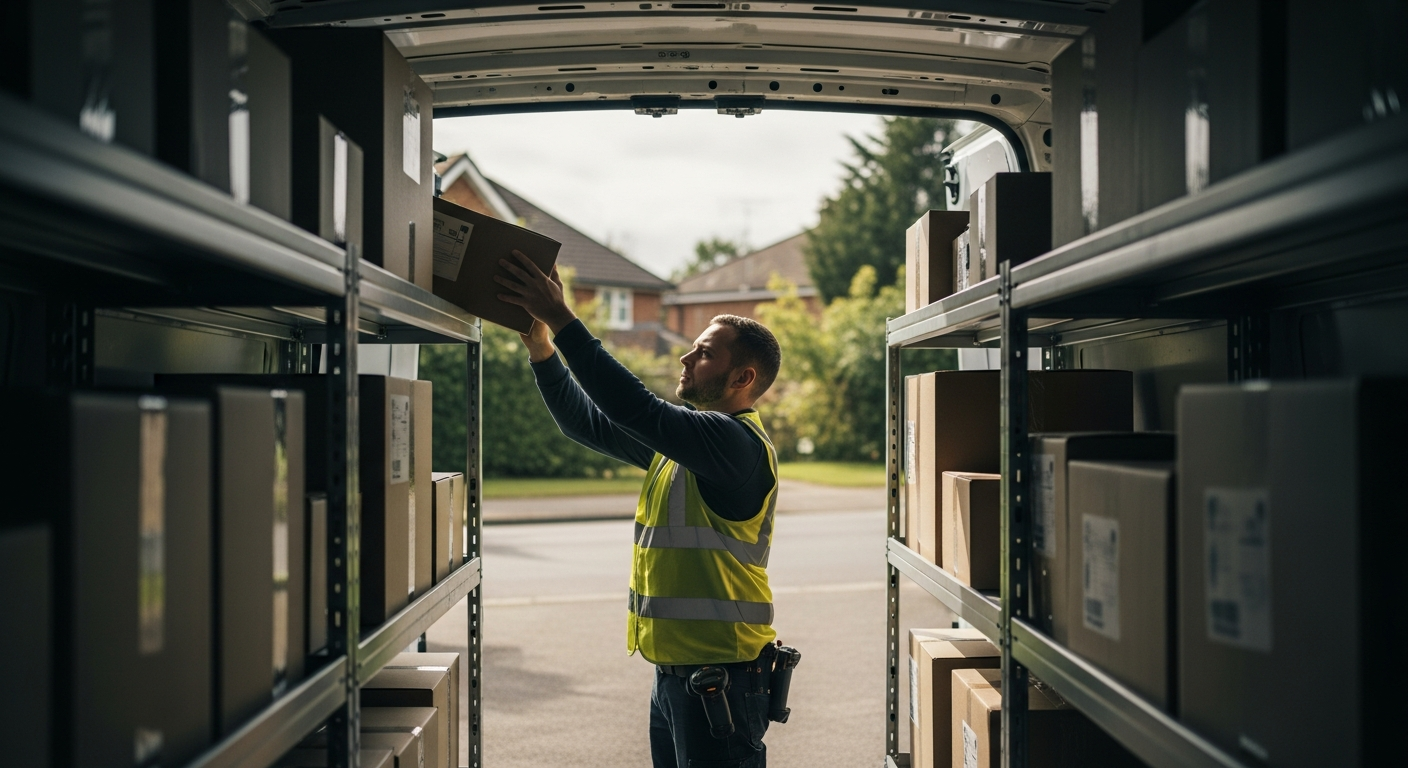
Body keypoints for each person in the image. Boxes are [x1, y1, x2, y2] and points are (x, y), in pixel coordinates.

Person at [497, 251, 784, 768]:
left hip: (722, 678)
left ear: (743, 378)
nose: (685, 359)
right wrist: (541, 348)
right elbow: (589, 422)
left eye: (704, 354)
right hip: (678, 676)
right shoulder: (684, 448)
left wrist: (563, 319)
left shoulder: (732, 444)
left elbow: (635, 408)